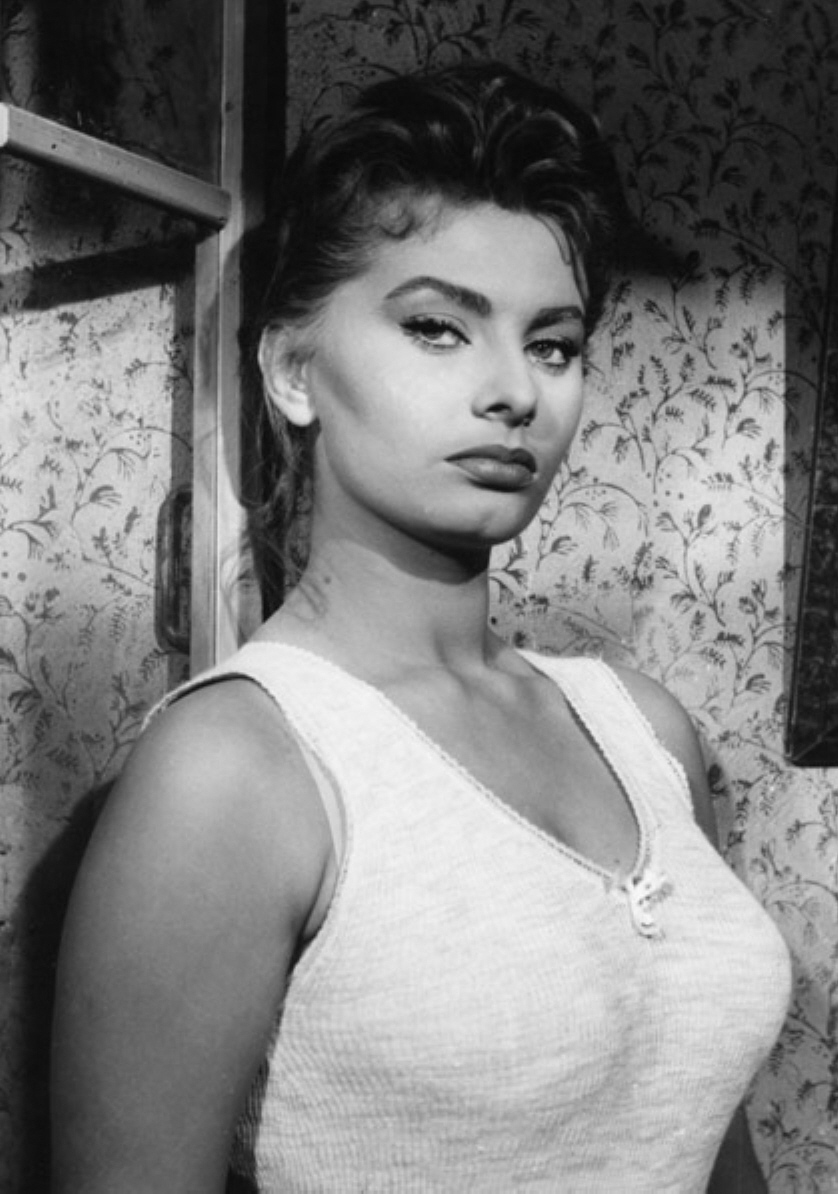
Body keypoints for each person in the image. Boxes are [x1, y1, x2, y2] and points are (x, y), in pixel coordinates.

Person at [50, 61, 792, 1192]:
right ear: (293, 370)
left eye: (554, 344)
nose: (516, 392)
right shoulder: (235, 770)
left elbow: (697, 1130)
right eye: (440, 328)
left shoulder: (645, 731)